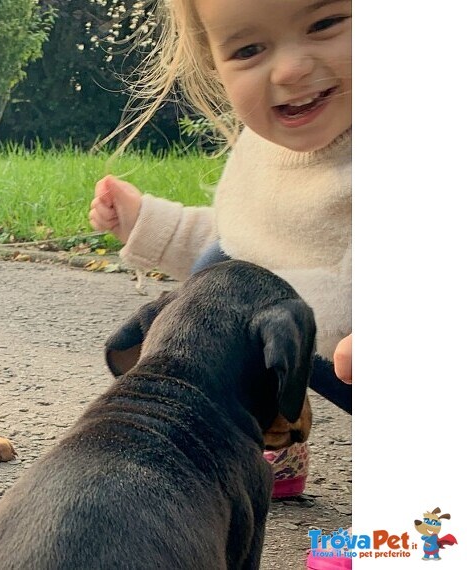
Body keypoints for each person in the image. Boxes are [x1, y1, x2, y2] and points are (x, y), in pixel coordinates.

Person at [89, 0, 352, 543]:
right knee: (221, 271)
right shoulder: (264, 147)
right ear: (214, 64)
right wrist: (148, 223)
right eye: (250, 49)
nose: (290, 69)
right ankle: (272, 437)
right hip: (317, 339)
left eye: (326, 23)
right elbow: (242, 242)